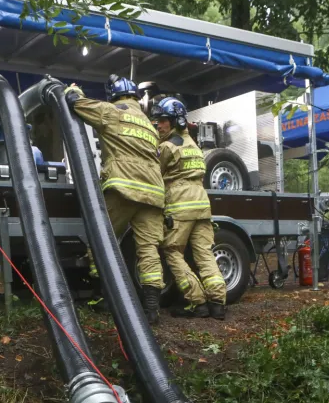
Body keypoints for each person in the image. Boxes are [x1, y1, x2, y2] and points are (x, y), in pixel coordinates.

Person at [65, 75, 165, 323]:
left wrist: (73, 90)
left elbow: (77, 103)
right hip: (153, 193)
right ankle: (152, 308)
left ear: (115, 96)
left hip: (124, 188)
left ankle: (103, 296)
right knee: (148, 250)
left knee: (102, 240)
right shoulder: (149, 125)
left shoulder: (112, 112)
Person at [149, 97, 226, 320]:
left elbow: (154, 174)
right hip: (202, 205)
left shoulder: (167, 147)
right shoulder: (194, 145)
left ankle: (197, 302)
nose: (159, 125)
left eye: (163, 120)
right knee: (204, 253)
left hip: (180, 205)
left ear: (176, 121)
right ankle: (218, 303)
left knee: (172, 252)